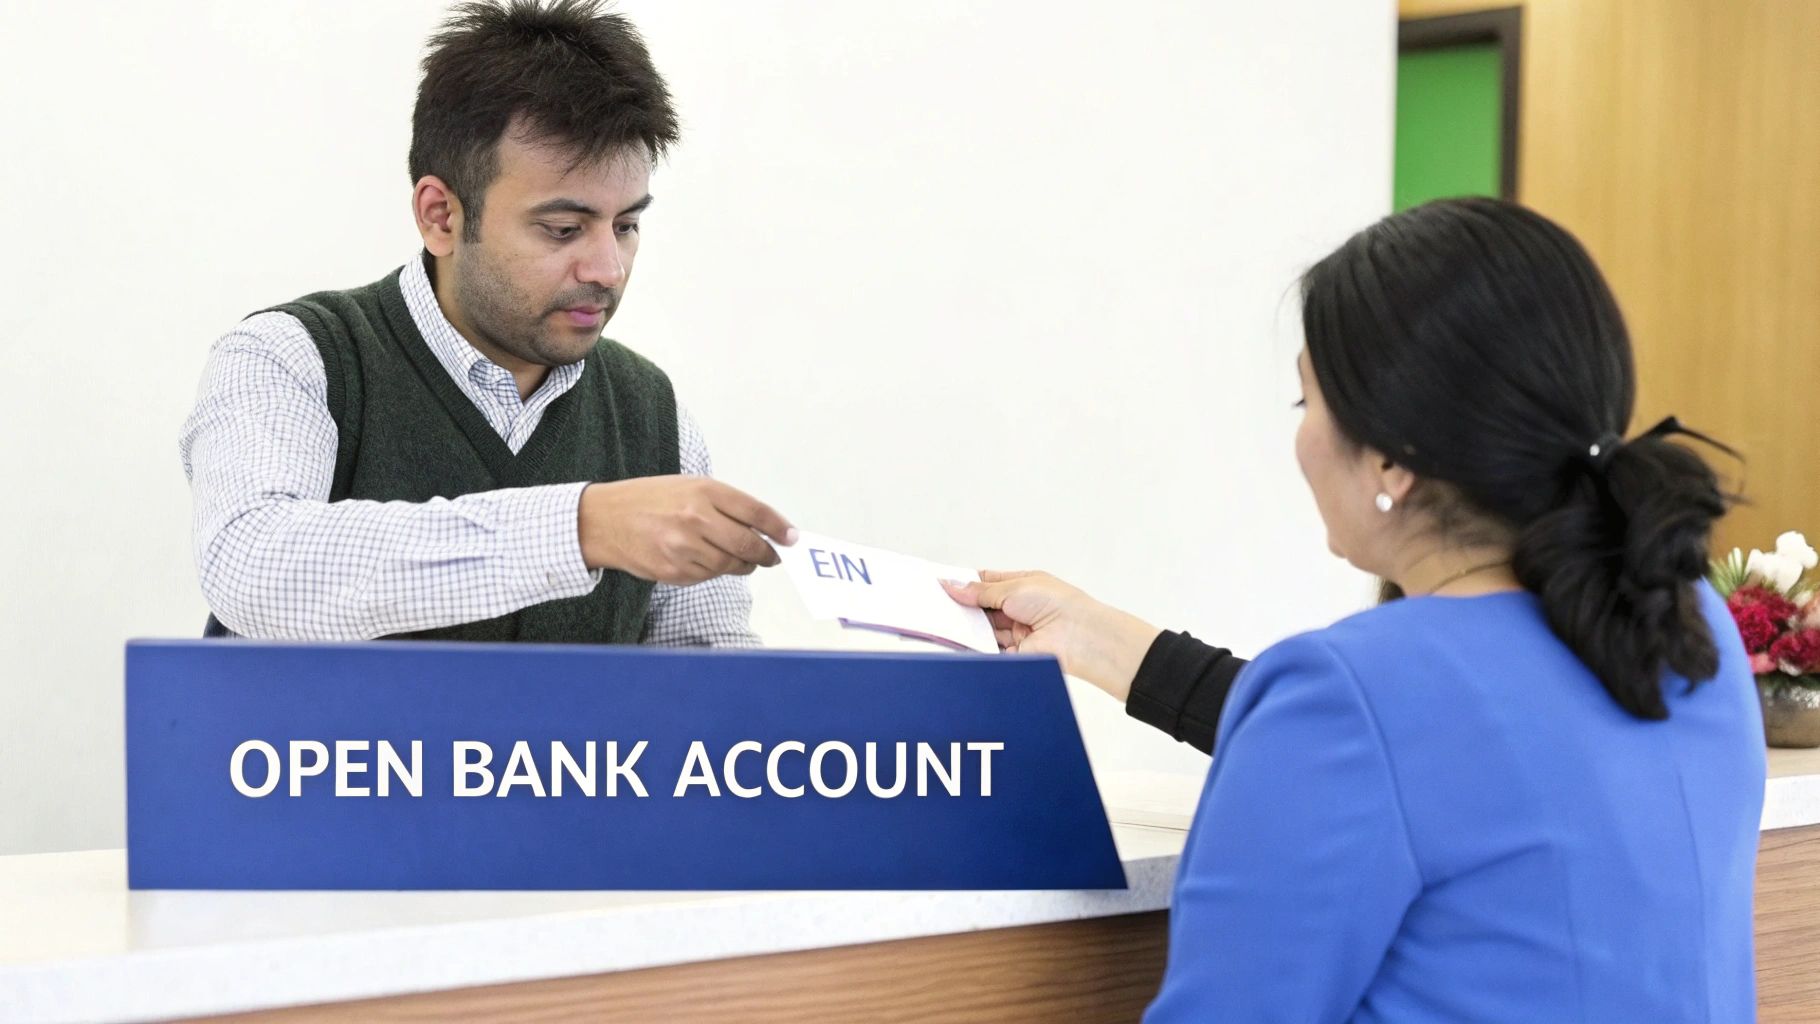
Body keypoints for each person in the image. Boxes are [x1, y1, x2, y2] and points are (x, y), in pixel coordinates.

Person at [947, 198, 1766, 1022]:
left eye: (1307, 403)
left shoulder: (1358, 696)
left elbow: (1382, 748)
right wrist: (1093, 635)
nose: (1301, 438)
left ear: (1391, 460)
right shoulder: (1688, 629)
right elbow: (1448, 759)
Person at [180, 0, 794, 645]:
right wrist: (582, 528)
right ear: (441, 215)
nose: (608, 269)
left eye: (627, 225)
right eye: (562, 229)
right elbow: (253, 569)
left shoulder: (652, 414)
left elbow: (709, 677)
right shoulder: (292, 357)